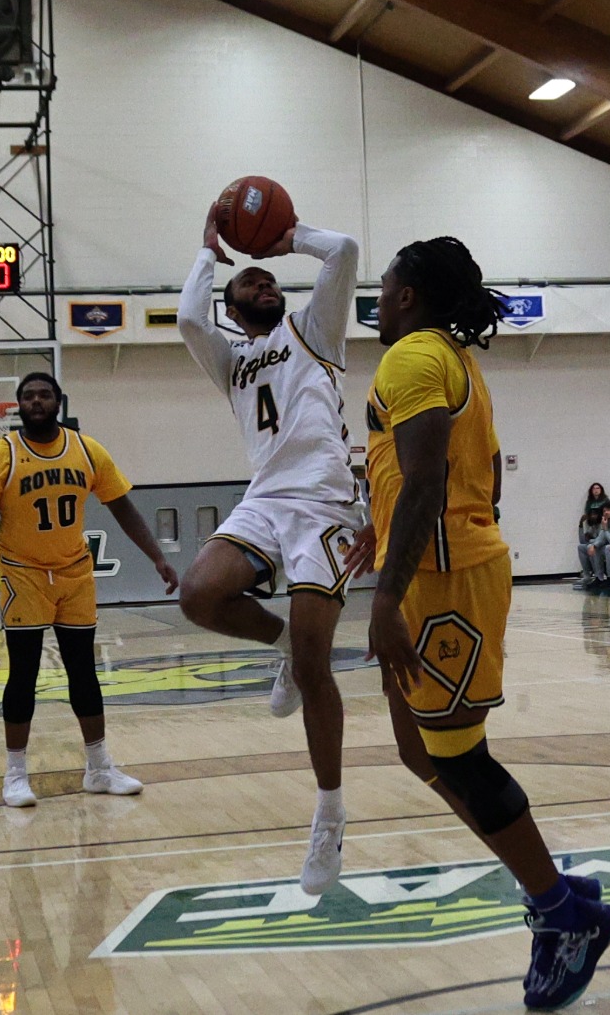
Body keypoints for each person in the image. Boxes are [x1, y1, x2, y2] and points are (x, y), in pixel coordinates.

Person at [361, 236, 610, 1009]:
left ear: (409, 294)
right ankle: (554, 887)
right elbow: (465, 476)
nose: (378, 296)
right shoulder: (451, 359)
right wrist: (379, 532)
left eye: (385, 284)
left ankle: (561, 913)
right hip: (434, 567)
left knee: (461, 758)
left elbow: (428, 480)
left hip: (442, 580)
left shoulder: (412, 357)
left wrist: (386, 597)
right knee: (419, 750)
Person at [175, 207, 365, 892]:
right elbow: (188, 320)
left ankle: (329, 815)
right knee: (198, 594)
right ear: (231, 306)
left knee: (317, 665)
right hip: (264, 499)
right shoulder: (229, 359)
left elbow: (344, 249)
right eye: (249, 281)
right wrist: (207, 252)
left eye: (270, 279)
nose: (264, 283)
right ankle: (283, 643)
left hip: (323, 503)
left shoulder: (314, 329)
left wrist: (291, 239)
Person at [0, 373, 178, 807]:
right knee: (24, 674)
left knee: (83, 672)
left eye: (44, 394)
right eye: (28, 396)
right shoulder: (0, 455)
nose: (36, 401)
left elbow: (122, 506)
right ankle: (15, 774)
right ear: (17, 405)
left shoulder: (87, 450)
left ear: (59, 401)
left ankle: (99, 769)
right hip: (23, 575)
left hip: (74, 574)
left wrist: (157, 556)